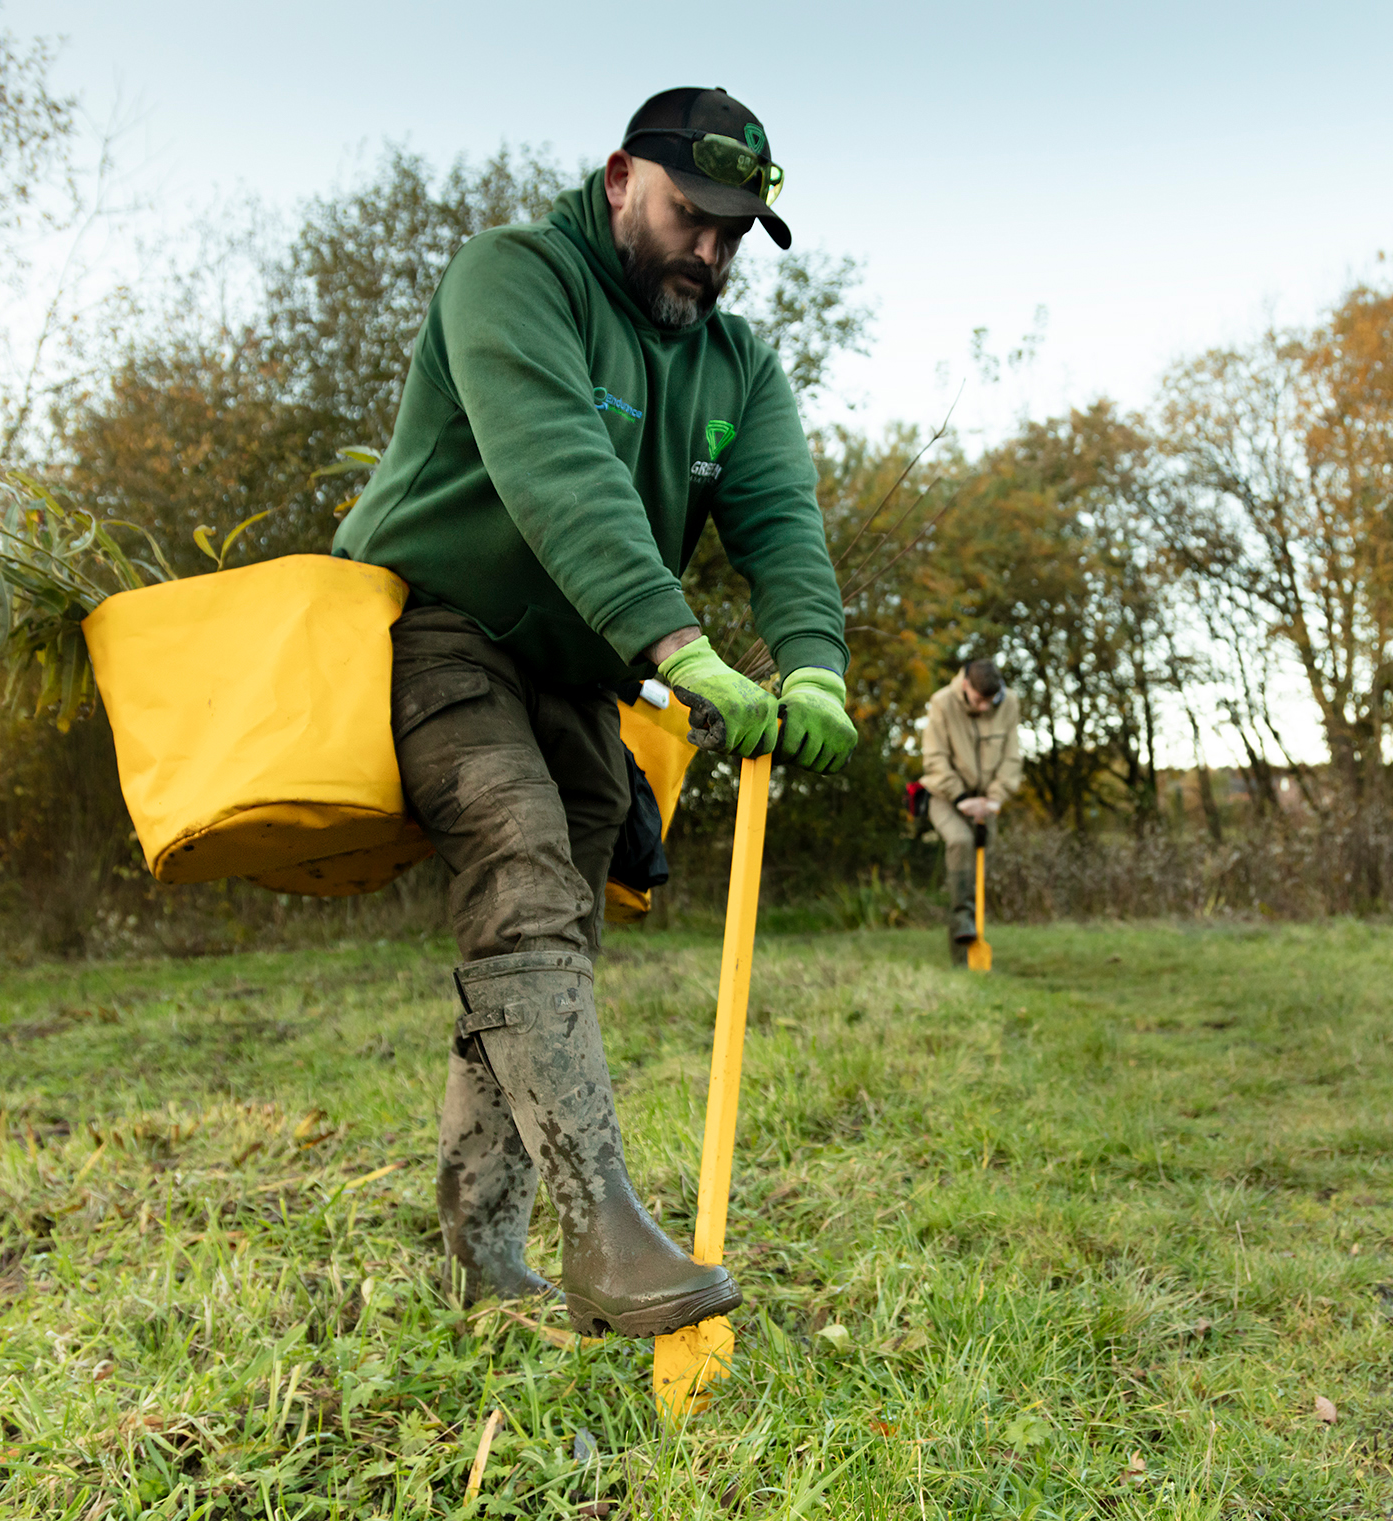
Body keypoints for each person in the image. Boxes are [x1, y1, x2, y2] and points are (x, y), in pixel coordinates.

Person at [334, 87, 857, 1337]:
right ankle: (606, 1236)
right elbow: (557, 468)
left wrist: (814, 666)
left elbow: (778, 518)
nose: (712, 252)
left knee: (547, 933)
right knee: (514, 850)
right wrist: (686, 649)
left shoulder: (737, 364)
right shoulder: (510, 279)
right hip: (436, 625)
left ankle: (486, 1252)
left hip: (579, 674)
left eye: (738, 234)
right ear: (622, 178)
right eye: (693, 217)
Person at [920, 659, 1022, 963]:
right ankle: (959, 947)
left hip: (986, 800)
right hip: (945, 795)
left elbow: (1012, 756)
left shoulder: (1009, 703)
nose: (986, 708)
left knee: (977, 871)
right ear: (965, 685)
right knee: (960, 842)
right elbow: (934, 758)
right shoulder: (941, 703)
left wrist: (995, 797)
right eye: (980, 700)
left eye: (992, 701)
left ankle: (972, 950)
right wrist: (961, 796)